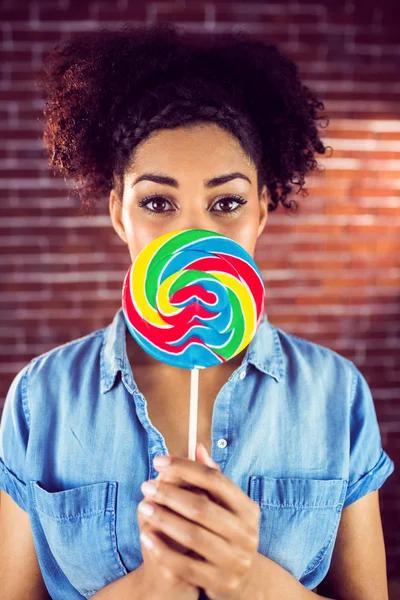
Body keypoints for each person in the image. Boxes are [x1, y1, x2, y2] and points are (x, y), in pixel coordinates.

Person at [0, 22, 395, 600]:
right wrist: (152, 586)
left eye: (226, 202)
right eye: (158, 202)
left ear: (261, 212)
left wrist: (250, 578)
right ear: (118, 214)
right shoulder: (42, 398)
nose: (192, 233)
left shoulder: (336, 394)